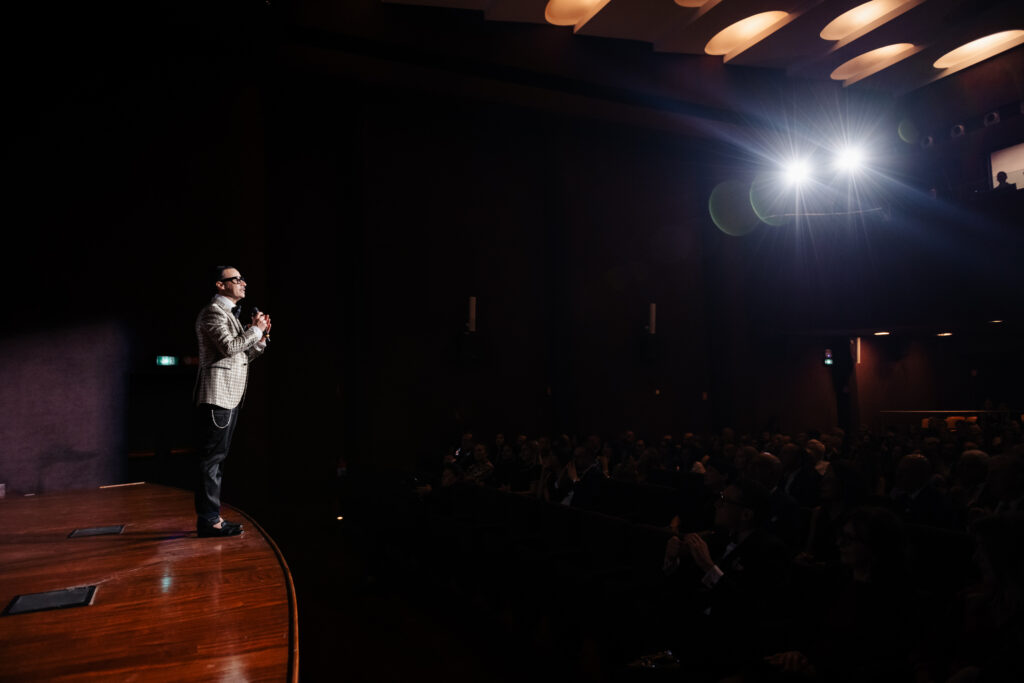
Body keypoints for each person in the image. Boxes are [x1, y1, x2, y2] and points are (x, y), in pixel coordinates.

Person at [193, 265, 271, 537]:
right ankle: (209, 520)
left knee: (218, 458)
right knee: (211, 460)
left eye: (242, 278)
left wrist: (260, 337)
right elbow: (229, 347)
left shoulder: (229, 315)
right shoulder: (213, 313)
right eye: (236, 279)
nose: (243, 283)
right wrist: (255, 330)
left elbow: (242, 356)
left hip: (230, 394)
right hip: (219, 394)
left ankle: (212, 517)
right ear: (220, 285)